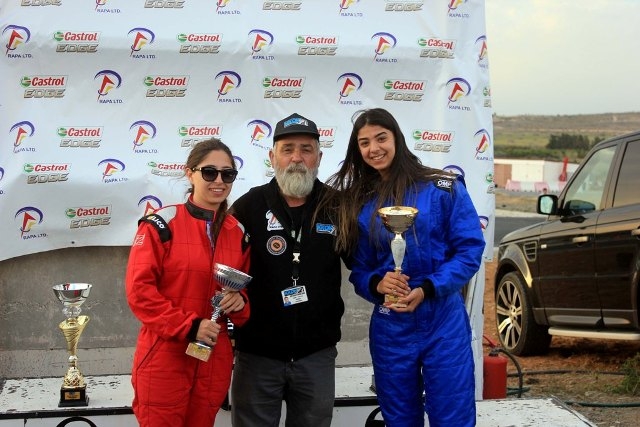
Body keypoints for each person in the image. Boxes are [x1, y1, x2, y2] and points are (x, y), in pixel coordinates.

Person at [322, 108, 485, 426]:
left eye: (381, 138)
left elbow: (469, 250)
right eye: (364, 143)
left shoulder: (443, 187)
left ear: (396, 138)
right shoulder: (359, 202)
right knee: (399, 419)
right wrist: (377, 284)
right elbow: (360, 269)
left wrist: (428, 288)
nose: (374, 148)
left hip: (442, 320)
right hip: (391, 324)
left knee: (453, 416)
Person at [229, 113, 346, 427]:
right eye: (287, 149)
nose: (297, 157)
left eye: (306, 149)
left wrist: (382, 280)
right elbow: (223, 267)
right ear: (272, 157)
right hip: (257, 356)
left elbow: (363, 264)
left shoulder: (337, 206)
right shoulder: (248, 206)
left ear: (319, 157)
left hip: (316, 356)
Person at [125, 138, 251, 427]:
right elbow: (139, 293)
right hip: (165, 354)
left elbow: (244, 298)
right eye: (209, 172)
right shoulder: (161, 224)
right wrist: (190, 326)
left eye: (227, 174)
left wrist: (240, 302)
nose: (218, 181)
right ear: (189, 173)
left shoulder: (238, 233)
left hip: (213, 356)